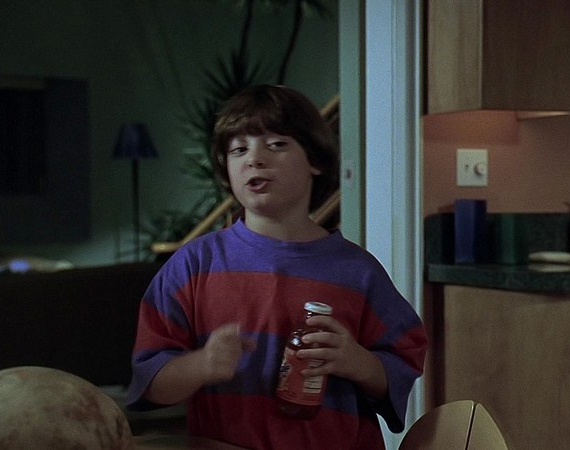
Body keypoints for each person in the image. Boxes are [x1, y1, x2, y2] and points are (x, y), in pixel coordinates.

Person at [127, 84, 427, 450]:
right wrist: (202, 364)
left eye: (276, 144)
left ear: (315, 161)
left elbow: (404, 361)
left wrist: (357, 361)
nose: (254, 159)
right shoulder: (192, 266)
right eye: (239, 149)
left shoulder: (358, 271)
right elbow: (150, 381)